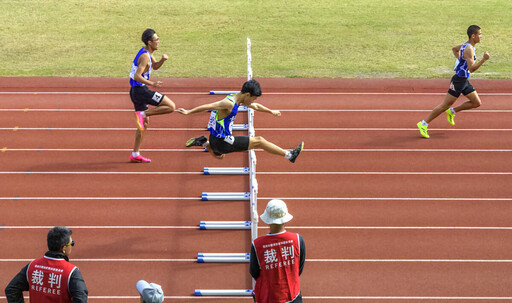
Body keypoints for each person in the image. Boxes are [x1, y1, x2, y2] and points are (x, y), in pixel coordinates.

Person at [177, 79, 304, 163]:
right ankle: (290, 155)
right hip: (222, 142)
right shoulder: (229, 103)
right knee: (259, 141)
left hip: (216, 140)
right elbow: (209, 106)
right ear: (247, 94)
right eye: (253, 99)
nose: (253, 102)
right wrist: (189, 112)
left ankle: (205, 143)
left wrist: (271, 111)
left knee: (220, 156)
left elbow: (255, 106)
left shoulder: (236, 97)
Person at [417, 25, 490, 138]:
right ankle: (423, 123)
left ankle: (452, 112)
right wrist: (483, 60)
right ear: (473, 36)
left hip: (464, 80)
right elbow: (472, 69)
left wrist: (460, 60)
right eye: (479, 34)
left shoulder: (466, 44)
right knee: (444, 105)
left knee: (476, 103)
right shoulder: (469, 49)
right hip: (458, 81)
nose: (481, 36)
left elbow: (454, 49)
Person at [5, 226, 88, 303]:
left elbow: (11, 289)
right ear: (64, 248)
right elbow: (80, 299)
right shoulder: (71, 271)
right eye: (72, 243)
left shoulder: (32, 266)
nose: (72, 246)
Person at [129, 28, 176, 163]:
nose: (158, 42)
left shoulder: (147, 52)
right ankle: (143, 114)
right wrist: (152, 83)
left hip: (135, 92)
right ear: (150, 42)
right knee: (171, 106)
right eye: (156, 40)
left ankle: (135, 153)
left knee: (143, 125)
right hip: (141, 91)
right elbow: (137, 76)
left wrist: (162, 60)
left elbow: (154, 66)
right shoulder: (144, 56)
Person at [250, 199, 306, 303]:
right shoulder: (297, 240)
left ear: (267, 220)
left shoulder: (257, 245)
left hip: (267, 297)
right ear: (285, 219)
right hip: (292, 296)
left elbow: (254, 272)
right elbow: (299, 269)